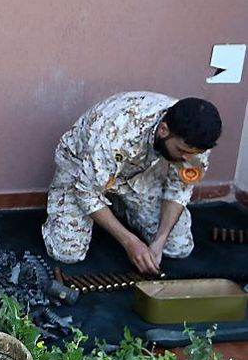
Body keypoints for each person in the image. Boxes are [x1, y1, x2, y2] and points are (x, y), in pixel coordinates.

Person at [42, 92, 222, 275]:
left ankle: (118, 206)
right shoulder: (116, 132)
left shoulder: (196, 139)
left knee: (178, 247)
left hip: (136, 171)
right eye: (181, 151)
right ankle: (93, 207)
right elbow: (86, 193)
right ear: (163, 130)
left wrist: (159, 240)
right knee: (66, 253)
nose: (187, 158)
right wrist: (130, 242)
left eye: (193, 153)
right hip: (82, 168)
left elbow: (179, 190)